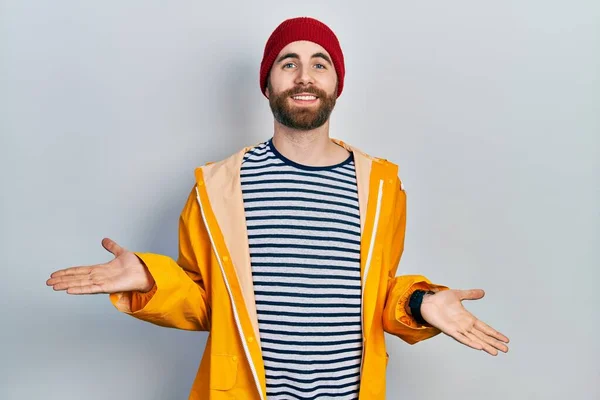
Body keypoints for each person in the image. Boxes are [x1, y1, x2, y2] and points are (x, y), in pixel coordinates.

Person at [46, 16, 509, 400]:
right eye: (289, 63)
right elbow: (209, 303)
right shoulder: (216, 188)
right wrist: (151, 279)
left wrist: (422, 302)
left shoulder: (382, 187)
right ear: (267, 83)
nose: (304, 76)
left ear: (336, 84)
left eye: (319, 64)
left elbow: (376, 295)